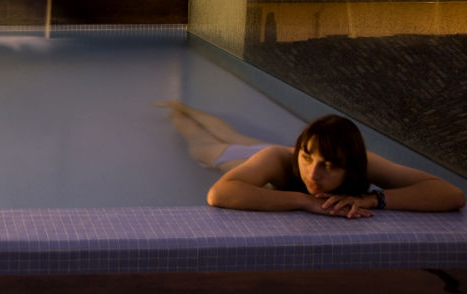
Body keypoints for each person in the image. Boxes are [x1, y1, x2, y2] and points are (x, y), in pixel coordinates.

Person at [158, 100, 465, 218]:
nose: (313, 174)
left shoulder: (361, 161)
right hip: (236, 160)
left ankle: (189, 108)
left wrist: (374, 200)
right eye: (308, 158)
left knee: (230, 133)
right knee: (199, 141)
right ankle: (177, 111)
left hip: (263, 151)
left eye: (328, 166)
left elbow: (450, 194)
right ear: (300, 151)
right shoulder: (280, 159)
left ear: (350, 165)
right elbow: (220, 193)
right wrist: (305, 201)